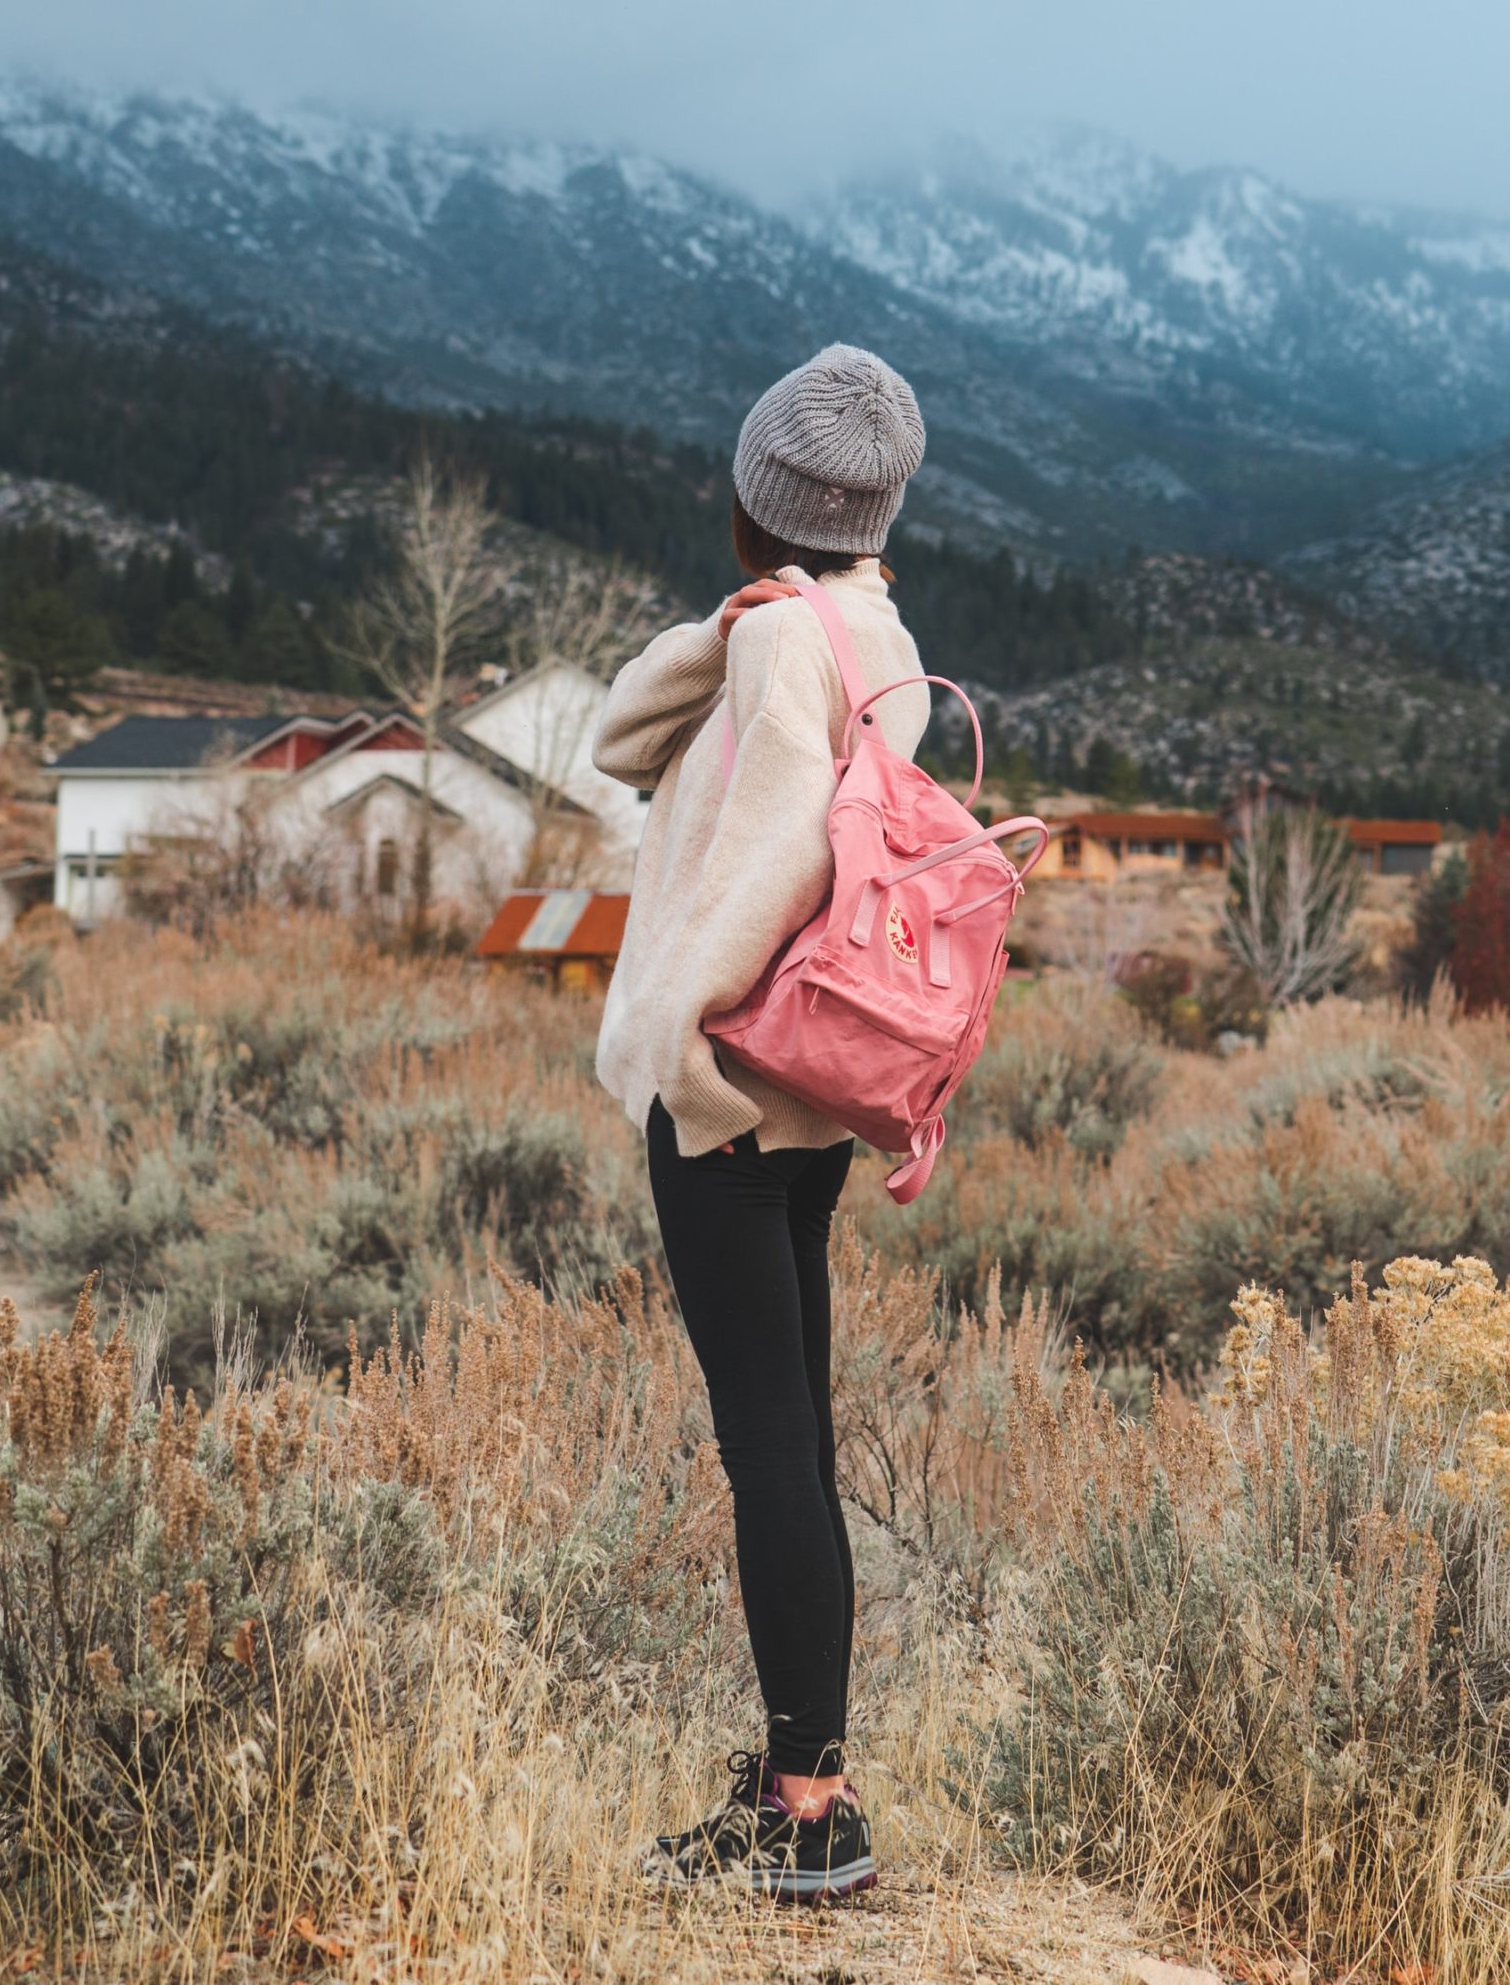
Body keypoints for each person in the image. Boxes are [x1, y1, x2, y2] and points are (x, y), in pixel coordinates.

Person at [592, 341, 929, 1904]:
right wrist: (730, 626)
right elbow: (618, 736)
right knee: (789, 1429)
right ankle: (804, 1781)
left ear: (752, 496)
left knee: (772, 1452)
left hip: (730, 1086)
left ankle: (806, 1809)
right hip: (812, 1086)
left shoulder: (790, 648)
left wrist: (676, 1038)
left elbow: (784, 845)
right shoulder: (855, 629)